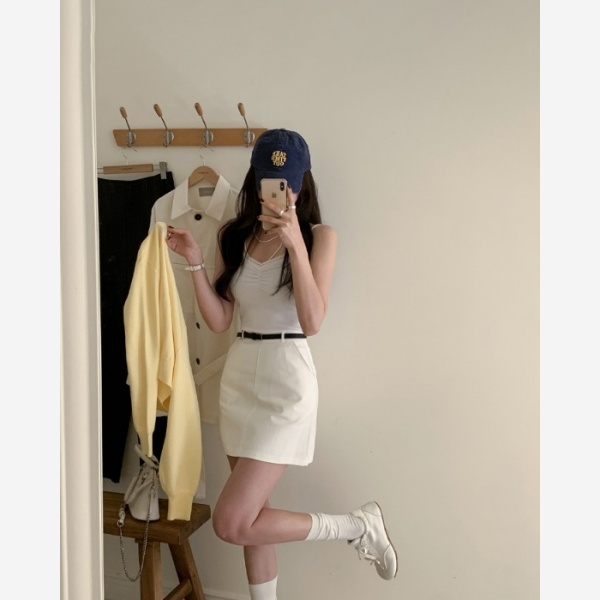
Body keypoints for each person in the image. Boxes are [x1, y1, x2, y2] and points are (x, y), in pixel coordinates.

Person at [166, 129, 397, 599]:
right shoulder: (234, 235)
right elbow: (221, 320)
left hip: (286, 381)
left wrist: (295, 245)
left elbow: (312, 321)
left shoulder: (319, 237)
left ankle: (356, 525)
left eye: (289, 183)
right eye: (272, 182)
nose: (281, 192)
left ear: (302, 183)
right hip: (239, 378)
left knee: (231, 522)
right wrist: (194, 262)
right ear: (256, 181)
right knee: (252, 520)